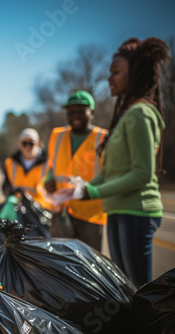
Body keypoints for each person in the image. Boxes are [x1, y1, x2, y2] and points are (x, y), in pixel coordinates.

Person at [77, 37, 169, 287]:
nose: (110, 78)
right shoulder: (126, 115)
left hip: (137, 212)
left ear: (136, 73)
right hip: (117, 210)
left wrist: (93, 191)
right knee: (125, 289)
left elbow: (141, 173)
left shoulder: (141, 113)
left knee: (140, 291)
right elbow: (108, 174)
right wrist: (80, 189)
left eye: (116, 72)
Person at [43, 91, 107, 251]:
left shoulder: (103, 138)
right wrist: (47, 180)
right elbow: (50, 165)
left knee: (90, 261)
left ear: (91, 112)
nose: (75, 116)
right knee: (61, 260)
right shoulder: (57, 135)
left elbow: (109, 174)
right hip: (62, 210)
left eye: (80, 111)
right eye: (71, 112)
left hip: (91, 213)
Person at [1, 128, 51, 211]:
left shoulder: (48, 164)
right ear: (20, 144)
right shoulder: (10, 163)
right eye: (24, 143)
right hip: (17, 208)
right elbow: (6, 185)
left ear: (37, 143)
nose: (28, 146)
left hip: (40, 209)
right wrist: (9, 192)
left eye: (31, 143)